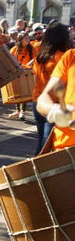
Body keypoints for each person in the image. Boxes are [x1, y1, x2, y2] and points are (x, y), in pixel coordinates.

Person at [36, 49, 75, 241]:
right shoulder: (70, 57)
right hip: (65, 158)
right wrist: (58, 115)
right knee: (67, 236)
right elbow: (44, 100)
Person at [32, 21, 71, 155]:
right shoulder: (63, 57)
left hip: (37, 101)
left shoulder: (40, 56)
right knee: (46, 149)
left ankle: (34, 169)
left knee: (41, 143)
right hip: (54, 105)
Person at [8, 31, 38, 120]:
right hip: (17, 72)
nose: (28, 40)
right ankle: (17, 111)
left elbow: (36, 59)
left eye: (28, 38)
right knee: (17, 91)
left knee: (24, 91)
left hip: (27, 72)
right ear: (20, 40)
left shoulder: (32, 49)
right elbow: (9, 58)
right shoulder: (14, 49)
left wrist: (31, 63)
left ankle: (23, 112)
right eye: (26, 38)